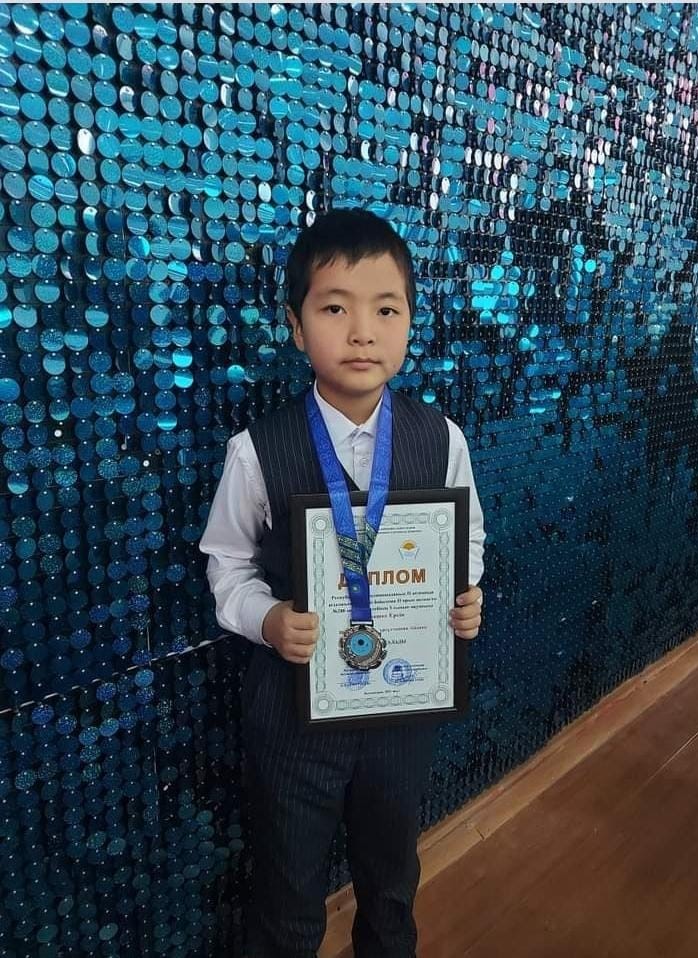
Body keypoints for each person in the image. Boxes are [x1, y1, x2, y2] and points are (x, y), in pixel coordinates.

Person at [199, 208, 485, 958]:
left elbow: (468, 539)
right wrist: (266, 620)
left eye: (386, 310)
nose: (362, 333)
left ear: (410, 323)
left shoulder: (441, 439)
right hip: (292, 716)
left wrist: (464, 594)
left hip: (402, 711)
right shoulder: (256, 451)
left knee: (391, 885)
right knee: (288, 895)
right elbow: (227, 564)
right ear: (296, 328)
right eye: (334, 309)